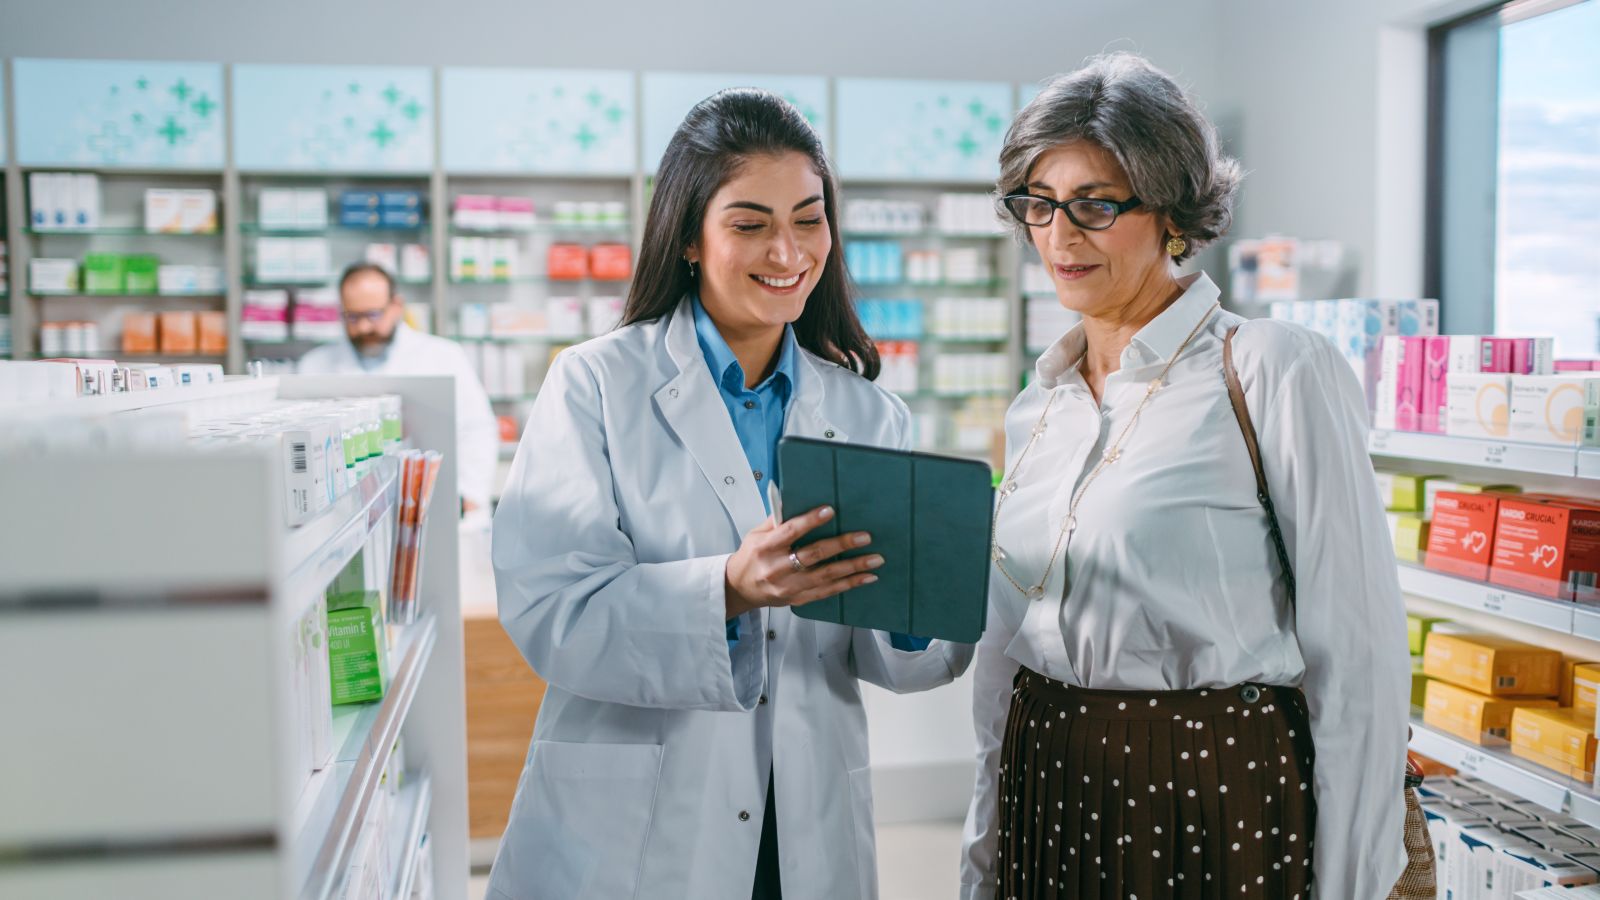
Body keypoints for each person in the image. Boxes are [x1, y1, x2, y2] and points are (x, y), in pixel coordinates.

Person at [486, 88, 974, 900]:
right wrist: (727, 589)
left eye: (808, 219)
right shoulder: (597, 384)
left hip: (805, 813)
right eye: (750, 224)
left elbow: (889, 653)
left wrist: (921, 599)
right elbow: (550, 607)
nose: (788, 251)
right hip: (644, 820)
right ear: (687, 237)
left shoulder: (865, 412)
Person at [959, 54, 1409, 899]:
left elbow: (1359, 658)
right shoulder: (1040, 406)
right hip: (1047, 785)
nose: (1060, 235)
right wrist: (980, 862)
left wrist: (1352, 881)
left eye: (1095, 204)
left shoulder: (1273, 369)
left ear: (1172, 212)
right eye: (1040, 204)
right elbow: (1001, 656)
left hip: (1210, 794)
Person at [297, 263, 498, 512]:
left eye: (373, 315)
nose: (363, 328)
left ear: (396, 306)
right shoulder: (314, 365)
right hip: (346, 514)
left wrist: (469, 495)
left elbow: (477, 429)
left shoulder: (444, 356)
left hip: (433, 506)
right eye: (353, 317)